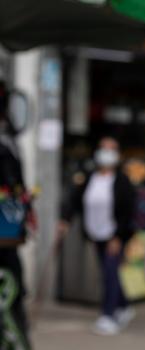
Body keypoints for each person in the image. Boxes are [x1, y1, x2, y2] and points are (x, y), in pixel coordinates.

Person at [58, 136, 137, 335]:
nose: (106, 152)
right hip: (96, 232)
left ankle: (108, 314)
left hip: (114, 235)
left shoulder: (122, 181)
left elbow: (128, 211)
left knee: (110, 272)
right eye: (103, 148)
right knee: (107, 271)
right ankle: (124, 306)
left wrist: (119, 236)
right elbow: (75, 200)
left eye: (112, 149)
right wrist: (65, 220)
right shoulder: (89, 177)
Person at [0, 81, 32, 349]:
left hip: (6, 231)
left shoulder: (7, 142)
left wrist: (25, 208)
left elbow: (16, 189)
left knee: (13, 289)